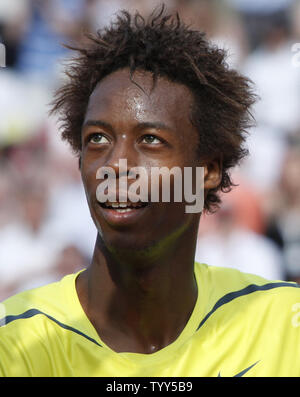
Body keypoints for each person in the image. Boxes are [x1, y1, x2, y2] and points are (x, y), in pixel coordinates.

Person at [0, 6, 299, 377]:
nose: (116, 164)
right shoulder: (15, 344)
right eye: (97, 139)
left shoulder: (286, 328)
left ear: (207, 171)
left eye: (150, 140)